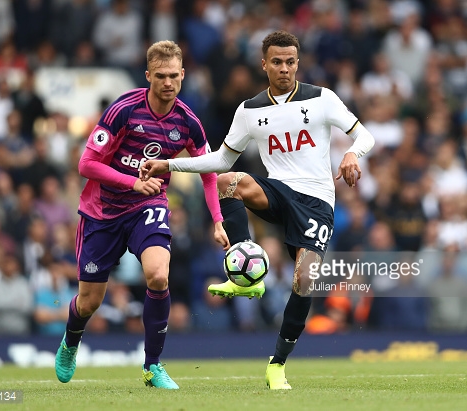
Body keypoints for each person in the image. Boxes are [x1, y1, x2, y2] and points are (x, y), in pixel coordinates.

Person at [140, 30, 375, 389]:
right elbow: (219, 159)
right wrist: (170, 165)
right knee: (228, 181)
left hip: (316, 200)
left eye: (291, 62)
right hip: (278, 190)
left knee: (305, 278)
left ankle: (277, 363)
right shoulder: (250, 110)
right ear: (264, 64)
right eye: (277, 62)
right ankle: (244, 263)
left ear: (298, 63)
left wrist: (351, 153)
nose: (284, 69)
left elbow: (366, 136)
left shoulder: (322, 98)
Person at [54, 40, 228, 389]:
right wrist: (132, 182)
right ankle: (71, 340)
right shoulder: (124, 110)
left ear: (183, 75)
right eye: (160, 76)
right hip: (102, 211)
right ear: (148, 75)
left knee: (158, 276)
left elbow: (209, 171)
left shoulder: (188, 122)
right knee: (89, 302)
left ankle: (152, 366)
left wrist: (218, 220)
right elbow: (86, 164)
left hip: (148, 206)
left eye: (174, 76)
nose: (168, 83)